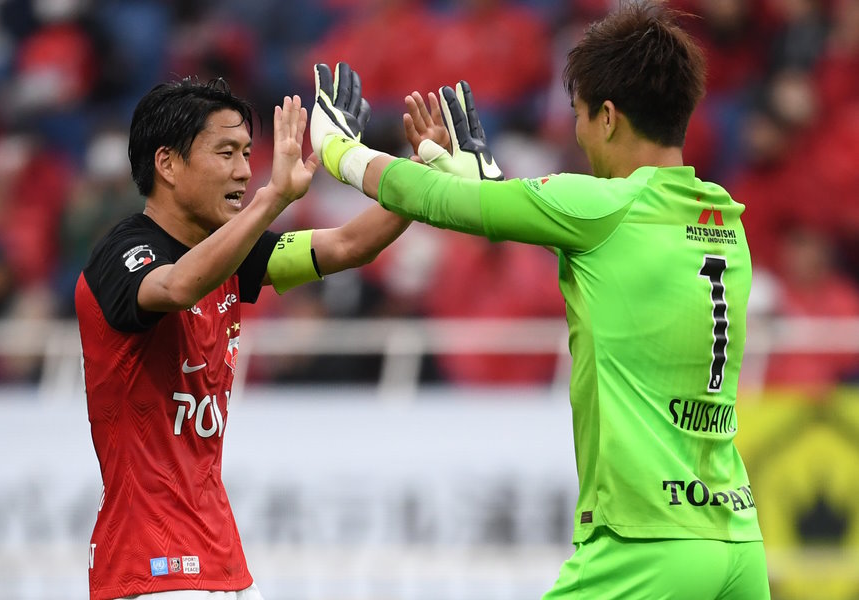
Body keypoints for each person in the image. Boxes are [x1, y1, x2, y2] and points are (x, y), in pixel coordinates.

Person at [309, 2, 770, 598]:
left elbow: (435, 202)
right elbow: (575, 231)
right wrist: (465, 172)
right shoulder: (723, 219)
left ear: (607, 117)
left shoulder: (604, 207)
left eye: (578, 115)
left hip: (646, 544)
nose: (576, 132)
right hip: (736, 541)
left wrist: (337, 152)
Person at [75, 75, 409, 600]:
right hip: (152, 566)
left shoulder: (232, 250)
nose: (244, 170)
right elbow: (180, 284)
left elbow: (349, 245)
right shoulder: (122, 254)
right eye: (226, 152)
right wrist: (272, 199)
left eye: (248, 153)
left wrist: (428, 178)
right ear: (167, 164)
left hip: (223, 562)